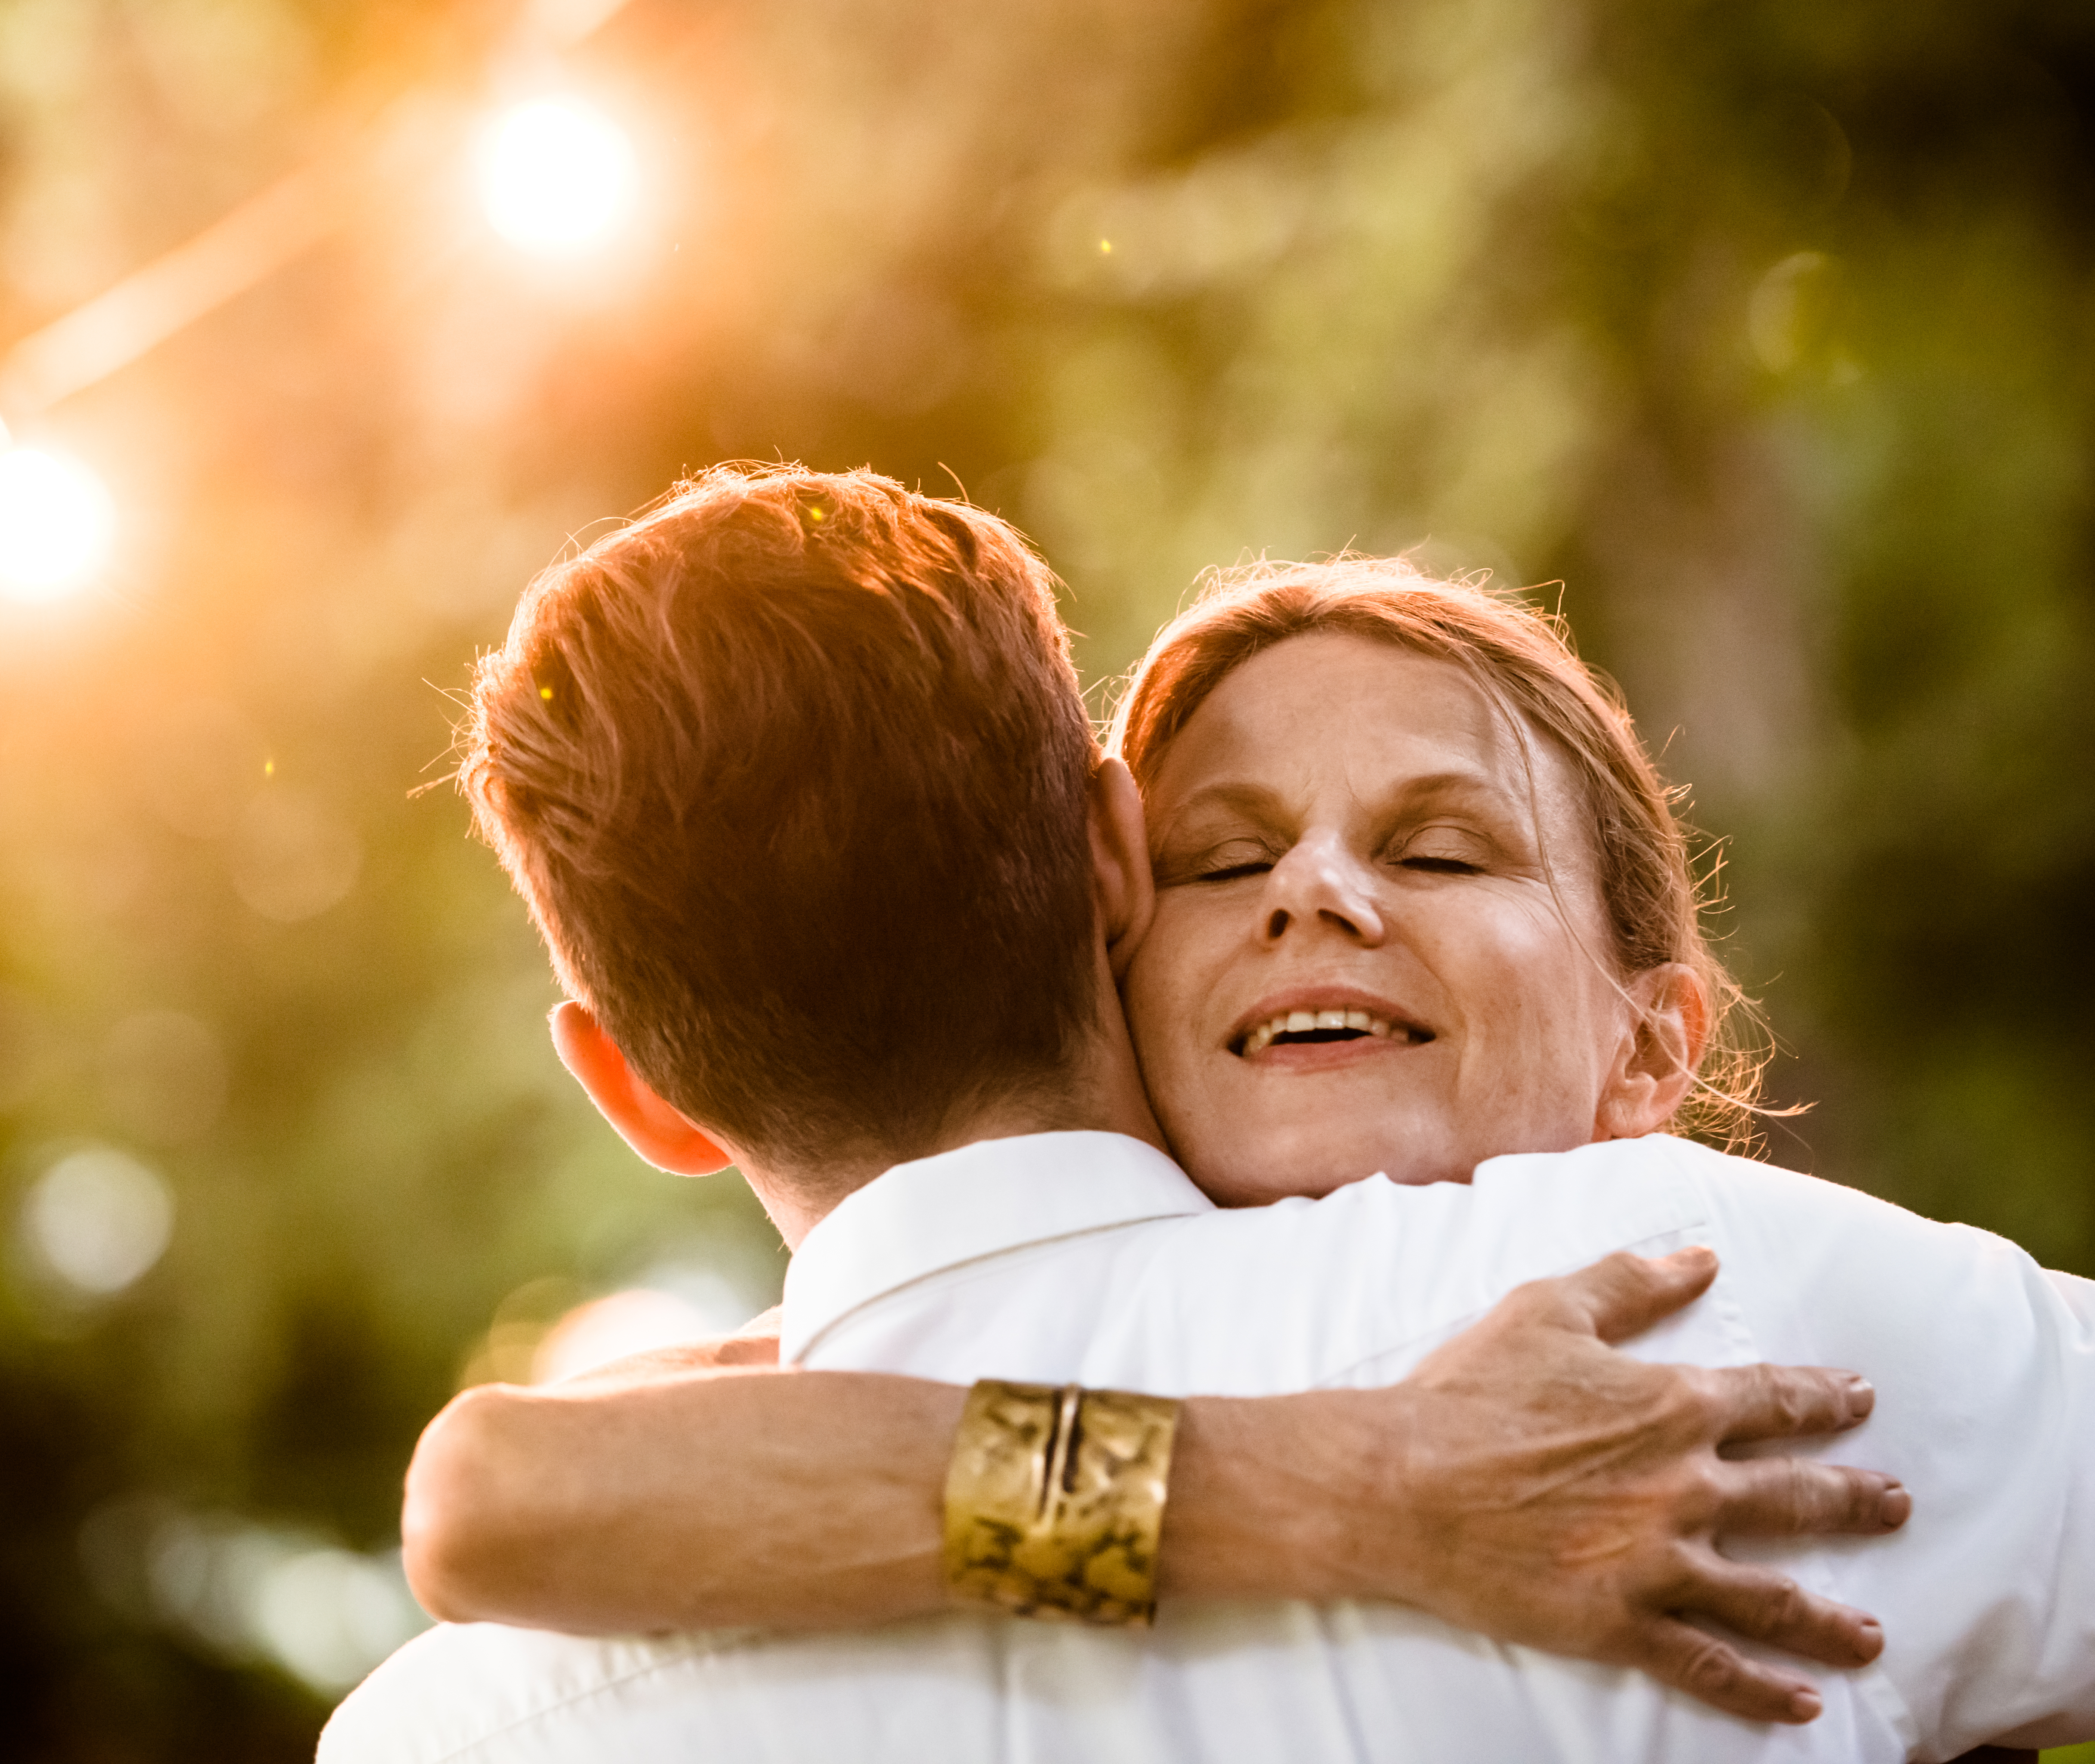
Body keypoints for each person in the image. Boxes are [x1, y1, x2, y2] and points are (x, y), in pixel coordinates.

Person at [322, 468, 2093, 1761]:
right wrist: (1359, 1483)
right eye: (1225, 853)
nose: (1312, 896)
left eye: (1441, 844)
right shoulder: (1677, 1334)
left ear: (633, 1088)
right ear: (1110, 873)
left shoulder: (458, 1724)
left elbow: (488, 1489)